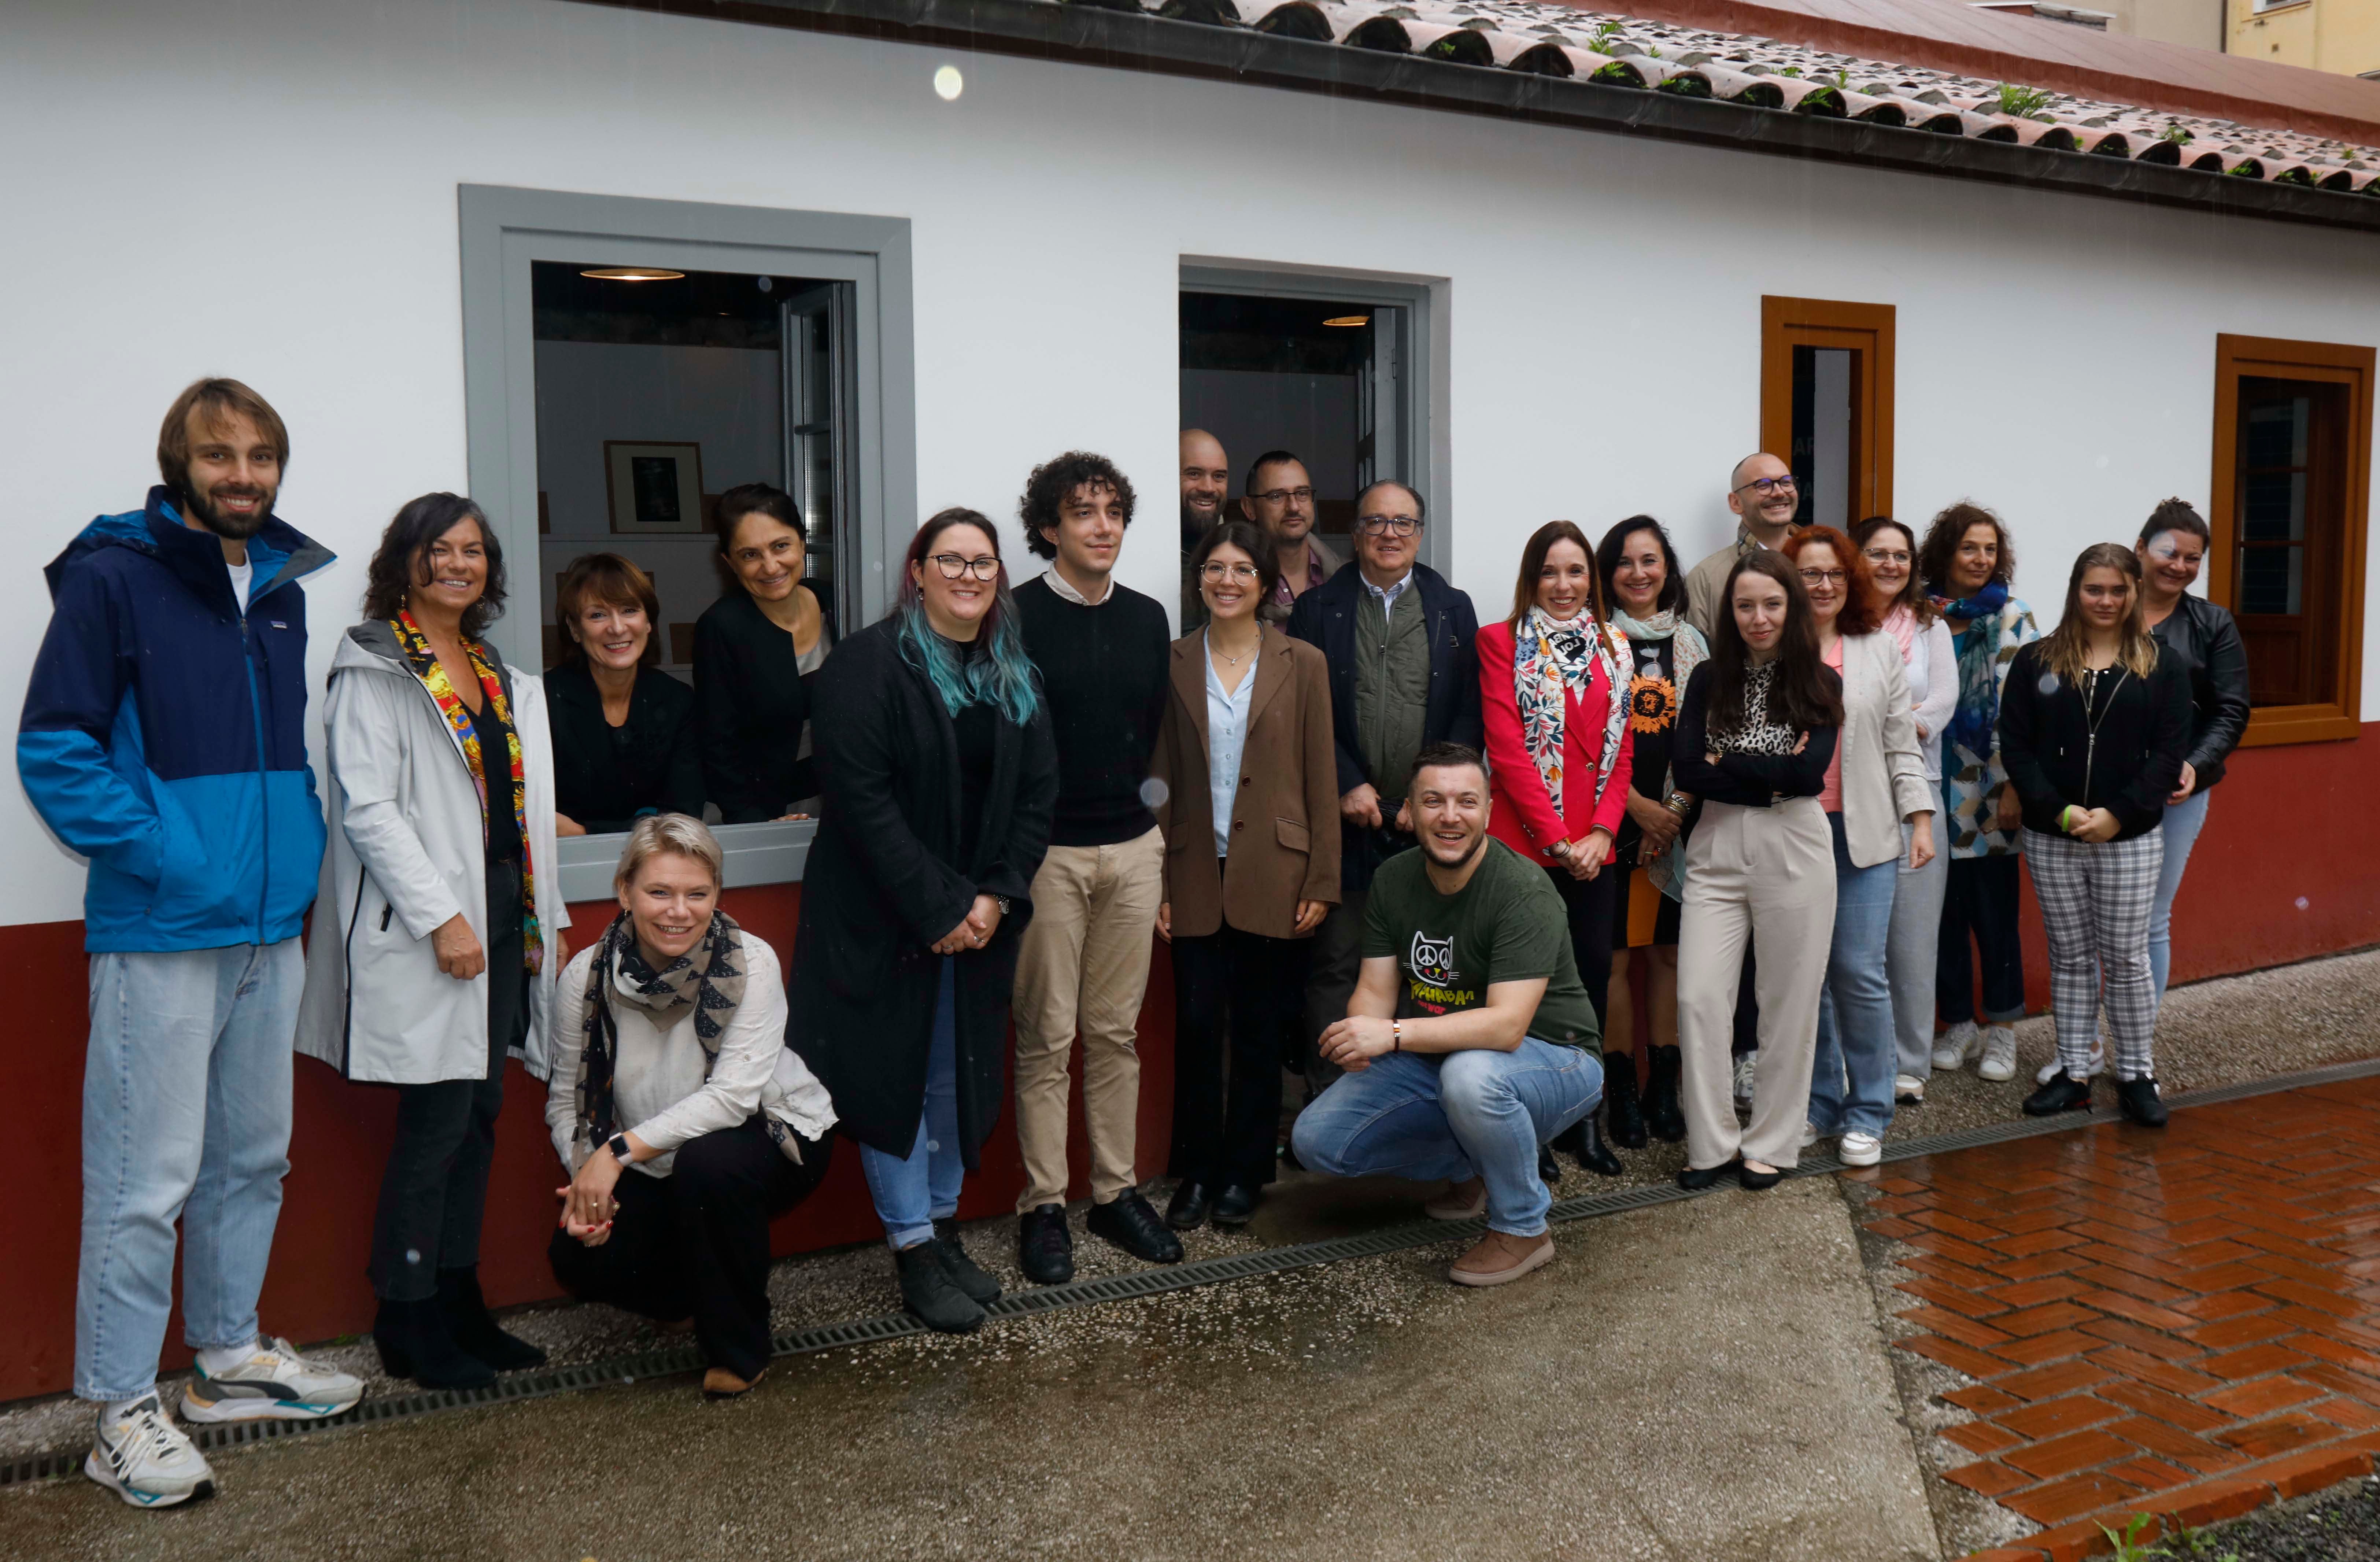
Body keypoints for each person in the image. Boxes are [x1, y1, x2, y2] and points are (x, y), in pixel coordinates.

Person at [19, 379, 361, 1508]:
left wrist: (289, 858)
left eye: (261, 453)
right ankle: (119, 1406)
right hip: (164, 927)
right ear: (179, 463)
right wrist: (173, 854)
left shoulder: (278, 589)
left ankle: (224, 1360)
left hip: (269, 924)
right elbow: (58, 752)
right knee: (143, 1176)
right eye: (220, 453)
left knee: (252, 1157)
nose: (244, 473)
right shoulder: (114, 577)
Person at [298, 492, 568, 1390]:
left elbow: (499, 798)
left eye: (476, 552)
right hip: (434, 930)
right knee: (438, 1126)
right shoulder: (375, 667)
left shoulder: (496, 671)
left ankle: (460, 1299)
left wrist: (535, 895)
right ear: (404, 561)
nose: (460, 564)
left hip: (503, 921)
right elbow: (368, 810)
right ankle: (405, 1314)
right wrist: (442, 920)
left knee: (482, 1117)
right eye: (440, 549)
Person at [787, 510, 1056, 1334]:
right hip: (882, 919)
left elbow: (1038, 795)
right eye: (951, 559)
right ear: (918, 571)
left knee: (952, 1072)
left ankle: (940, 1230)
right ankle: (909, 1247)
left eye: (983, 562)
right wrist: (941, 906)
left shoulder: (1013, 670)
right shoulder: (864, 666)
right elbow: (863, 806)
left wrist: (993, 898)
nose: (968, 575)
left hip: (976, 918)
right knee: (895, 1077)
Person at [545, 816, 837, 1399]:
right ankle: (684, 1297)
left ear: (716, 895)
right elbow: (564, 1099)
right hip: (653, 1154)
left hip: (773, 1134)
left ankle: (739, 1346)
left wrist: (615, 1152)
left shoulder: (750, 962)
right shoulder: (585, 974)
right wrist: (589, 1177)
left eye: (697, 893)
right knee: (574, 1256)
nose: (679, 910)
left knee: (709, 1165)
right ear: (624, 891)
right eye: (659, 891)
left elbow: (732, 1099)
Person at [1290, 744, 1603, 1287]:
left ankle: (1524, 1225)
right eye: (1433, 801)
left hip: (1556, 1057)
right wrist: (1361, 1037)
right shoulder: (1393, 879)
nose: (1450, 816)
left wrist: (1389, 1033)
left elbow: (1506, 1027)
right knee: (1319, 1138)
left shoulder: (1523, 888)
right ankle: (1474, 1163)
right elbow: (1374, 989)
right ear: (1409, 811)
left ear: (1487, 810)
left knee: (1471, 1076)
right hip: (1441, 1053)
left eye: (1466, 801)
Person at [1008, 453, 1180, 1283]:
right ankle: (1044, 1205)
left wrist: (1158, 846)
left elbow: (1154, 740)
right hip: (1048, 858)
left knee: (1115, 1034)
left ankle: (1115, 1194)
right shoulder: (1014, 618)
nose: (1103, 526)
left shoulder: (1150, 619)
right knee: (1048, 1037)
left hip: (1134, 849)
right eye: (1084, 513)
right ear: (1049, 529)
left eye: (1114, 511)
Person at [1154, 521, 1339, 1229]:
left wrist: (1322, 879)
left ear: (1265, 584)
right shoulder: (1171, 660)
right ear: (1198, 578)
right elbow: (1161, 777)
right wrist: (1160, 881)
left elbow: (1321, 773)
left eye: (1241, 569)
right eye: (1214, 568)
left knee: (1261, 1028)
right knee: (1200, 1025)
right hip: (1193, 867)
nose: (1226, 580)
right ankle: (1197, 1172)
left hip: (1278, 869)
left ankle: (1246, 1172)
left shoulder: (1304, 662)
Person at [2034, 500, 2248, 1085]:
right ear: (2140, 549)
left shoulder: (2211, 625)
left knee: (2146, 922)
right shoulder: (2088, 624)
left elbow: (2230, 709)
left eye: (2192, 559)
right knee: (2079, 937)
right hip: (2080, 800)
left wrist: (2195, 767)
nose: (2179, 566)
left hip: (2173, 791)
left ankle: (2133, 1050)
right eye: (2168, 552)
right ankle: (2083, 1047)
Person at [1286, 480, 1481, 1102]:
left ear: (1420, 533)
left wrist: (1432, 797)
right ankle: (1330, 1102)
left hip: (1427, 826)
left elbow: (1468, 713)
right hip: (1346, 821)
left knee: (1429, 968)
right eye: (1376, 522)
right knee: (1338, 963)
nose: (1389, 534)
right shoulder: (1318, 608)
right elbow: (1303, 713)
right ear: (1356, 533)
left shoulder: (1452, 606)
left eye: (1403, 523)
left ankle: (1413, 1103)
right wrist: (1347, 782)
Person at [1998, 545, 2192, 1126]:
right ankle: (2073, 1072)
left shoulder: (2163, 664)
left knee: (2128, 958)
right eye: (2094, 589)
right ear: (2075, 591)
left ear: (2134, 592)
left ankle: (2136, 1072)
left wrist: (2117, 812)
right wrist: (2059, 812)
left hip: (2129, 837)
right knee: (2072, 956)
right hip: (2053, 836)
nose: (2105, 601)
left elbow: (2168, 754)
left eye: (2117, 590)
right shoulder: (2037, 661)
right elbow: (2018, 748)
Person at [1671, 552, 1841, 1191]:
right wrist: (1765, 763)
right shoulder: (1709, 678)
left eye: (1771, 603)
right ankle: (1710, 1144)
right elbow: (1689, 771)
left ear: (1792, 607)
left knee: (1787, 1004)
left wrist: (1728, 754)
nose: (1758, 617)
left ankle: (1770, 1142)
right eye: (1745, 605)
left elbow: (1806, 775)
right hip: (1715, 850)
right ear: (1729, 611)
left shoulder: (1821, 682)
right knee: (1698, 997)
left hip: (1794, 852)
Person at [1475, 521, 1634, 1175]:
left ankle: (1582, 1121)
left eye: (1576, 572)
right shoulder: (1498, 643)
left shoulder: (1616, 647)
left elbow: (1621, 750)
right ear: (1531, 578)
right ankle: (1531, 1128)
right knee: (1524, 991)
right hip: (1524, 847)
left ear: (1591, 581)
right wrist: (1559, 839)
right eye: (1550, 572)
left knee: (1591, 980)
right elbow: (1507, 750)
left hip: (1596, 849)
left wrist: (1600, 831)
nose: (1564, 586)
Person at [1780, 528, 1934, 1170]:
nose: (1822, 585)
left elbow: (1902, 742)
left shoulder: (1877, 650)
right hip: (1794, 833)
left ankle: (1869, 1109)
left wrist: (1919, 819)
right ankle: (1819, 1102)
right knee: (1806, 976)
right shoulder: (1774, 650)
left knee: (1857, 970)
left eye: (1834, 574)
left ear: (1851, 582)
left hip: (1866, 834)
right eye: (1809, 574)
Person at [1684, 452, 1801, 1109]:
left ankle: (1807, 1070)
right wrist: (1748, 770)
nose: (1779, 491)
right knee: (1733, 952)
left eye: (1785, 480)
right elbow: (1710, 687)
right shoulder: (1708, 576)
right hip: (1728, 810)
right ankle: (1743, 1060)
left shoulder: (1821, 555)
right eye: (1763, 483)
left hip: (1817, 791)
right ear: (1737, 503)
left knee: (1809, 946)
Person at [1594, 516, 1708, 1145]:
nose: (1638, 573)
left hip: (1681, 826)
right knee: (1613, 960)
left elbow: (1709, 737)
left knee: (1668, 957)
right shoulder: (1591, 641)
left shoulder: (1696, 644)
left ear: (1667, 566)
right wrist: (1636, 806)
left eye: (1650, 559)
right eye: (1625, 562)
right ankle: (1621, 1095)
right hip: (1611, 823)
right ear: (1607, 573)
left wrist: (1678, 810)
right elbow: (1583, 744)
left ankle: (1663, 1088)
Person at [1919, 502, 2040, 1086]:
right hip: (1928, 784)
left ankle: (2003, 1031)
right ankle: (1958, 1022)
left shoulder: (2012, 617)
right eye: (1970, 547)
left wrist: (2016, 784)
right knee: (1940, 915)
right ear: (1946, 552)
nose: (1982, 558)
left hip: (1991, 791)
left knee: (1994, 916)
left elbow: (2026, 709)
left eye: (1990, 549)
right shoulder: (1920, 615)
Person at [1851, 517, 1959, 1105]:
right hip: (1850, 793)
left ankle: (1911, 1061)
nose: (1890, 564)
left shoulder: (1929, 624)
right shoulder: (1840, 621)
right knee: (1855, 943)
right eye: (1877, 553)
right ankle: (1856, 1059)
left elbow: (1940, 702)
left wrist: (1890, 721)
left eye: (1900, 555)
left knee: (1913, 939)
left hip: (1918, 791)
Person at [694, 483, 836, 822]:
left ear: (802, 542)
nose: (771, 567)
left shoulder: (838, 602)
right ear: (730, 562)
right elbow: (718, 747)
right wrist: (758, 824)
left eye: (781, 546)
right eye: (750, 555)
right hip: (765, 813)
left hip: (841, 804)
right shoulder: (721, 628)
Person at [546, 553, 703, 835]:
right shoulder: (544, 700)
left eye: (630, 610)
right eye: (598, 615)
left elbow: (683, 817)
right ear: (575, 629)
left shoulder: (678, 700)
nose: (617, 628)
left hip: (655, 864)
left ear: (648, 622)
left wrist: (583, 831)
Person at [1240, 450, 1347, 623]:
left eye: (1302, 494)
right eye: (1277, 496)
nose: (1294, 507)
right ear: (1250, 508)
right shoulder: (1234, 582)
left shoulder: (1344, 577)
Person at [1179, 429, 1230, 631]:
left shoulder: (1239, 558)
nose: (1208, 488)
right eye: (1194, 474)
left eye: (1219, 476)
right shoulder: (1141, 555)